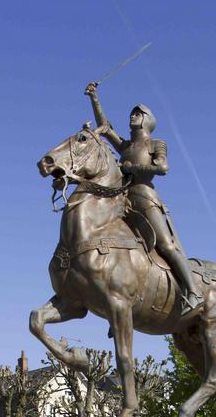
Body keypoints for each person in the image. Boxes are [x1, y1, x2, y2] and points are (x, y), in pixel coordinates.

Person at [84, 82, 203, 314]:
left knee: (165, 245)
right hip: (122, 201)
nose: (133, 116)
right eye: (132, 113)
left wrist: (132, 166)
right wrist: (94, 97)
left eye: (138, 113)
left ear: (147, 119)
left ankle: (194, 292)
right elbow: (104, 127)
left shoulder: (156, 143)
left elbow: (163, 168)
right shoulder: (127, 145)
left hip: (144, 197)